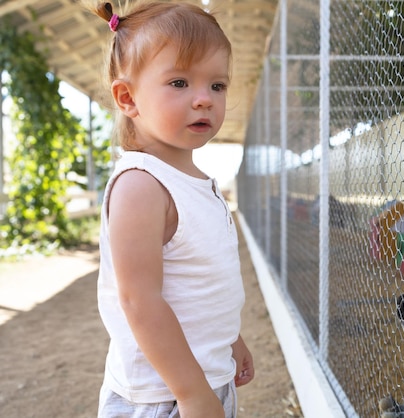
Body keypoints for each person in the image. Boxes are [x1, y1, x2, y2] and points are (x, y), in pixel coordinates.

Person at [91, 2, 254, 417]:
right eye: (180, 82)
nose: (204, 99)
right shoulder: (141, 185)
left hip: (201, 381)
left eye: (217, 86)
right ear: (128, 97)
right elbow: (139, 301)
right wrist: (192, 393)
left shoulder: (198, 182)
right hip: (162, 396)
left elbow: (200, 282)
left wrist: (228, 340)